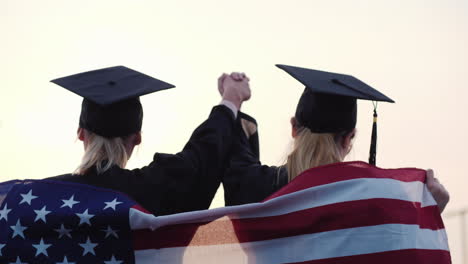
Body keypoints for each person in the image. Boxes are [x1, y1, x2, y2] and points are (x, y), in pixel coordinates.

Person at [221, 65, 449, 212]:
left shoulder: (254, 186)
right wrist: (429, 212)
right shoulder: (375, 199)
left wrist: (232, 98)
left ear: (294, 127)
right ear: (349, 139)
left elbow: (234, 149)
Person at [47, 66, 251, 216]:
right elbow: (203, 154)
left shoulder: (43, 198)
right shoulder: (156, 189)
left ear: (81, 133)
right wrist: (231, 99)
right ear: (137, 138)